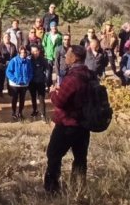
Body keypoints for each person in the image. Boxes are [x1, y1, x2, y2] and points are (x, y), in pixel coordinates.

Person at [44, 45, 93, 195]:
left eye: (68, 54)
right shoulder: (90, 75)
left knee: (53, 155)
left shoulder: (72, 78)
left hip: (67, 124)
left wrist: (52, 93)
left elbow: (59, 101)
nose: (65, 57)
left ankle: (52, 189)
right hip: (84, 124)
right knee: (80, 158)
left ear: (75, 58)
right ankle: (78, 188)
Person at [6, 46, 33, 121]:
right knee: (14, 99)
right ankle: (13, 113)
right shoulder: (13, 61)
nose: (23, 54)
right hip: (15, 84)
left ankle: (20, 113)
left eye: (24, 52)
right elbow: (8, 72)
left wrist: (28, 79)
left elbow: (30, 72)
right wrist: (15, 79)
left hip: (24, 84)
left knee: (22, 99)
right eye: (21, 52)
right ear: (19, 53)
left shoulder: (28, 61)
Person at [29, 45, 50, 120]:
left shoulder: (43, 60)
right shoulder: (29, 59)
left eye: (36, 51)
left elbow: (47, 70)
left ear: (39, 51)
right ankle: (35, 110)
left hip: (41, 81)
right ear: (31, 52)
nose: (34, 53)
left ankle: (43, 114)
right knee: (33, 97)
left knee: (41, 98)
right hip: (32, 82)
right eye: (33, 51)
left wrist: (47, 80)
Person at [0, 33, 17, 98]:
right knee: (1, 79)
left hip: (11, 65)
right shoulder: (0, 46)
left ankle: (10, 91)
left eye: (8, 37)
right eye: (5, 37)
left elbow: (15, 55)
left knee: (9, 78)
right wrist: (5, 61)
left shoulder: (13, 45)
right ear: (3, 38)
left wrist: (11, 62)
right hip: (2, 65)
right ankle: (0, 91)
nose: (7, 38)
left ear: (10, 38)